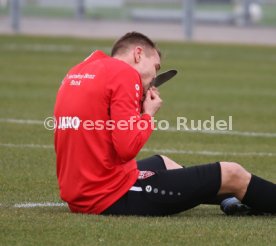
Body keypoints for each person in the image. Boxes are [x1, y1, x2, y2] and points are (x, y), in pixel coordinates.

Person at [54, 32, 276, 216]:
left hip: (82, 188)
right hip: (107, 195)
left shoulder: (81, 69)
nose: (153, 79)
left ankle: (230, 199)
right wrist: (148, 115)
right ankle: (238, 191)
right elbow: (126, 148)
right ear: (138, 54)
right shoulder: (124, 73)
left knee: (164, 162)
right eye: (156, 67)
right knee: (232, 172)